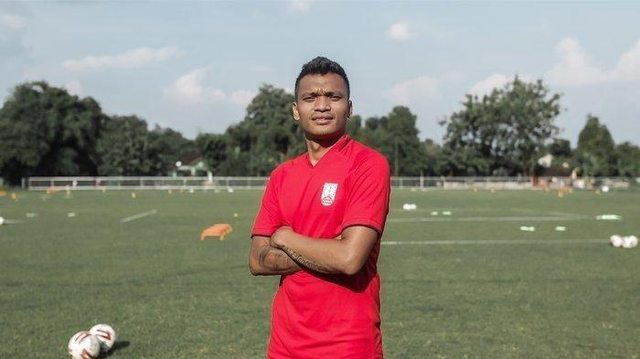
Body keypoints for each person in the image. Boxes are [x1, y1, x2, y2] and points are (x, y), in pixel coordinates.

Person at [249, 56, 391, 358]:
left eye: (334, 96)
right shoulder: (281, 176)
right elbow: (258, 261)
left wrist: (286, 239)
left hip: (349, 346)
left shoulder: (368, 165)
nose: (322, 105)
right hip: (285, 347)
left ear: (349, 108)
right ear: (296, 110)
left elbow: (349, 260)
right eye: (310, 97)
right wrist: (331, 249)